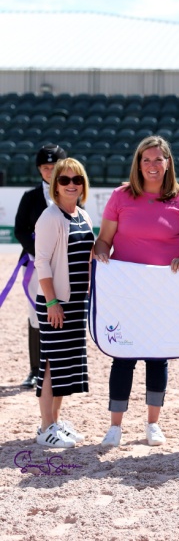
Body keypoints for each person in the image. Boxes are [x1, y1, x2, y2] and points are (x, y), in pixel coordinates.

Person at [94, 136, 179, 448]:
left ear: (168, 163)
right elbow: (104, 241)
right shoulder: (120, 196)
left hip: (165, 294)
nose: (152, 166)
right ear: (137, 164)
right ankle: (115, 426)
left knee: (157, 357)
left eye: (158, 159)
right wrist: (100, 253)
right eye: (146, 160)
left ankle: (153, 423)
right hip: (126, 293)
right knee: (123, 356)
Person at [34, 158, 94, 448]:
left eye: (77, 179)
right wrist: (52, 302)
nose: (72, 185)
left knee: (64, 366)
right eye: (65, 180)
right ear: (55, 184)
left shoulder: (83, 215)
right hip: (55, 303)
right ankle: (46, 427)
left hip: (75, 303)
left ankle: (55, 422)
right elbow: (42, 263)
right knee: (50, 365)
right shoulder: (50, 217)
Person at [14, 144, 67, 388]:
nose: (49, 171)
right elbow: (20, 230)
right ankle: (36, 370)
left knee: (62, 312)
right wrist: (41, 255)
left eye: (54, 167)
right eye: (45, 168)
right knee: (36, 315)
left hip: (63, 264)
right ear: (39, 170)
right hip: (35, 265)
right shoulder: (30, 198)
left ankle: (57, 366)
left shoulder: (71, 193)